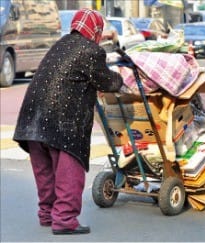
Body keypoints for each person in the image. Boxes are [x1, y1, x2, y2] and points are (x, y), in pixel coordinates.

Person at [13, 8, 123, 235]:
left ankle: (47, 214)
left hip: (31, 120)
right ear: (95, 30)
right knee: (68, 173)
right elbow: (108, 82)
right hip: (63, 123)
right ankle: (64, 219)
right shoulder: (91, 51)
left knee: (44, 173)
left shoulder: (60, 44)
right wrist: (120, 77)